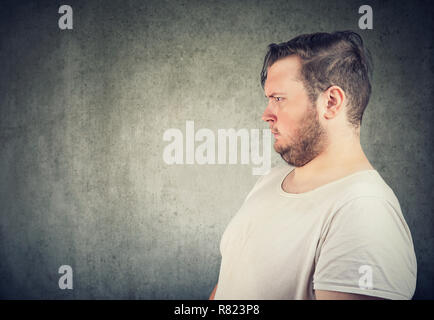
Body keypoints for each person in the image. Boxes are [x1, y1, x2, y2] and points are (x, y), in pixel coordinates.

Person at [209, 31, 417, 300]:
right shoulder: (270, 181)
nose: (266, 115)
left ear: (331, 102)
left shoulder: (365, 211)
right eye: (268, 99)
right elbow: (229, 285)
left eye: (279, 99)